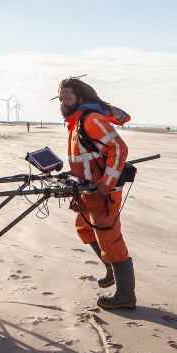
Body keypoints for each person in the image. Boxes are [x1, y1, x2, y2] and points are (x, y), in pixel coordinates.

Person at [57, 77, 136, 310]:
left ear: (81, 98)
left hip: (103, 192)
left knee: (109, 238)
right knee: (84, 228)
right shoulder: (75, 122)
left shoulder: (91, 120)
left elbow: (119, 148)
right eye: (61, 99)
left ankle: (125, 295)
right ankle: (111, 270)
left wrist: (106, 183)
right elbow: (85, 155)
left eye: (68, 98)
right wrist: (69, 175)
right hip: (85, 190)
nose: (63, 102)